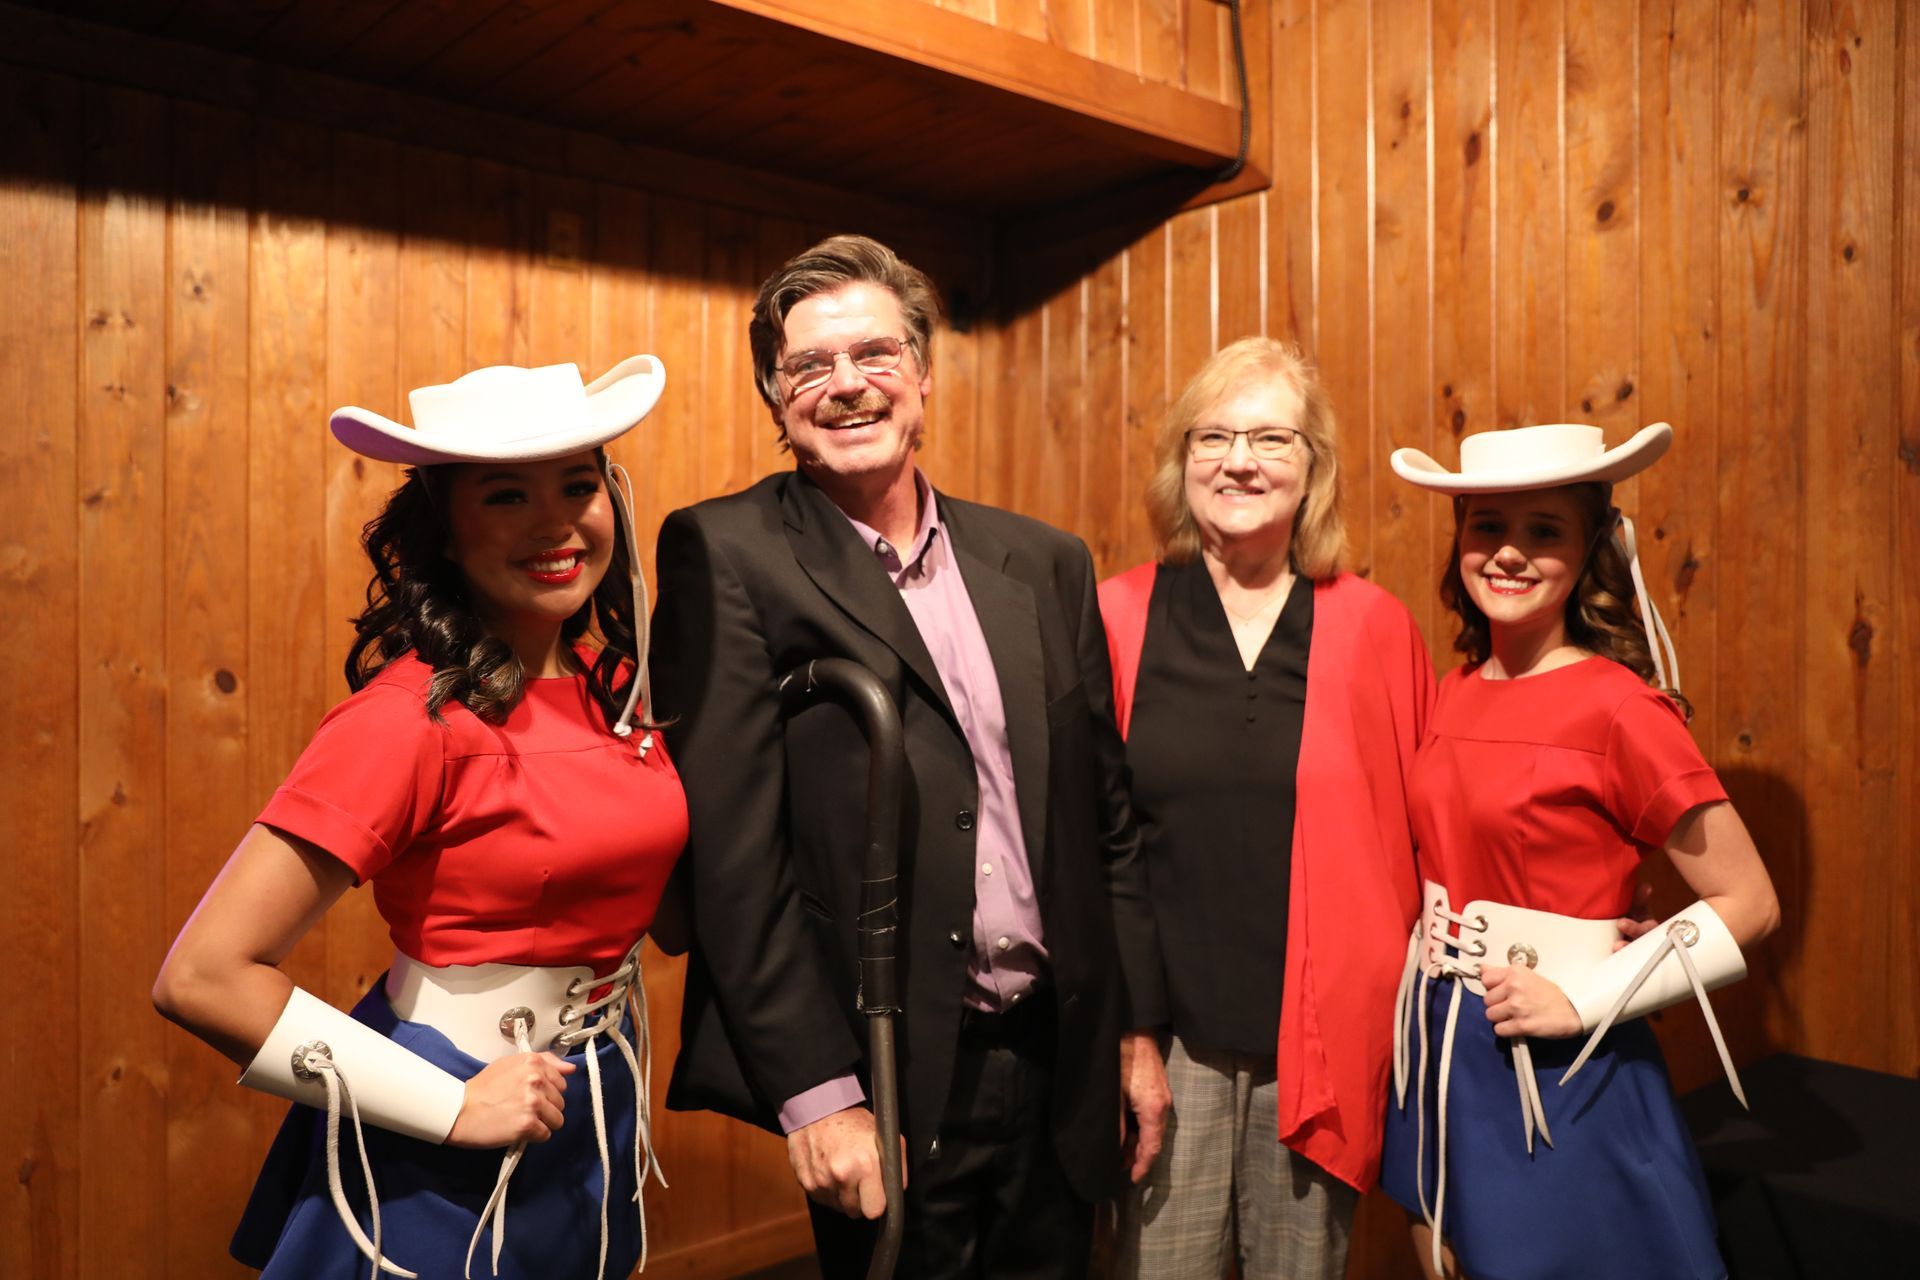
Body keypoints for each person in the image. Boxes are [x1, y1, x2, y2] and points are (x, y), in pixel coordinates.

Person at [648, 234, 1167, 1278]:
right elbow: (736, 863)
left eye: (877, 354)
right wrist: (819, 1090)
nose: (847, 385)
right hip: (887, 1072)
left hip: (1057, 1065)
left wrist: (1133, 1031)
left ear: (923, 377)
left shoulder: (1045, 561)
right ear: (772, 391)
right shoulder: (729, 553)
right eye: (809, 366)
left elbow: (1099, 821)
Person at [152, 354, 686, 1280]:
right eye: (508, 497)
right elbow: (202, 977)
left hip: (597, 1102)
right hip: (444, 1119)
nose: (558, 522)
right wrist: (451, 1106)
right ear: (445, 528)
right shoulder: (407, 720)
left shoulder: (618, 690)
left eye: (578, 485)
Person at [1381, 422, 1781, 1279]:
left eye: (1544, 531)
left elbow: (1750, 903)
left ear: (1594, 548)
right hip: (1439, 1050)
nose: (1510, 553)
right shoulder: (1449, 693)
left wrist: (1586, 997)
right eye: (1488, 525)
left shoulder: (1621, 709)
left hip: (1562, 1067)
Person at [1096, 338, 1433, 1278]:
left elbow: (1432, 825)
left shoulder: (1374, 629)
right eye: (1214, 436)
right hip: (1164, 1045)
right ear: (1181, 461)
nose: (1239, 459)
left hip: (1319, 1043)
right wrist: (1128, 1039)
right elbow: (1087, 846)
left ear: (1312, 468)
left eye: (1271, 438)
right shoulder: (1115, 617)